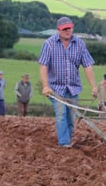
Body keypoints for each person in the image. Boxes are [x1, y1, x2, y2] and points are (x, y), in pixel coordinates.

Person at [38, 16, 98, 148]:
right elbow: (43, 66)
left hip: (73, 87)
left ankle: (67, 141)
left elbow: (87, 65)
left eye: (69, 28)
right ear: (58, 30)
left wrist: (94, 86)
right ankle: (64, 143)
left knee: (71, 117)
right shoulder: (49, 44)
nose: (67, 31)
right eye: (64, 29)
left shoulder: (80, 44)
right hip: (56, 88)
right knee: (61, 114)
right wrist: (45, 86)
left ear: (72, 28)